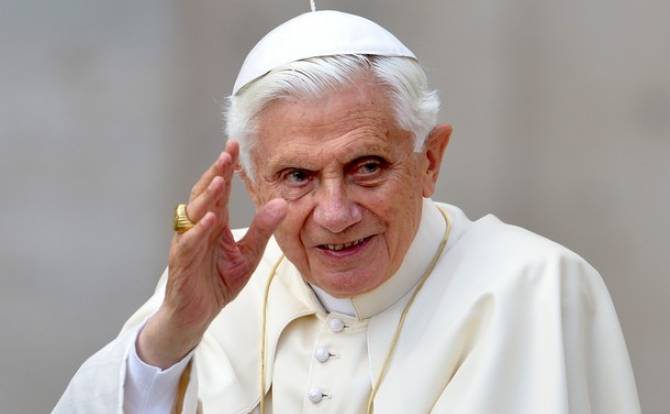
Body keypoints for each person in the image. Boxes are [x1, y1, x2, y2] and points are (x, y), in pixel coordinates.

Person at [53, 9, 641, 414]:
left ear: (430, 160)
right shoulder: (215, 280)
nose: (335, 214)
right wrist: (173, 333)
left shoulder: (536, 286)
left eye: (367, 167)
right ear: (253, 187)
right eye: (297, 177)